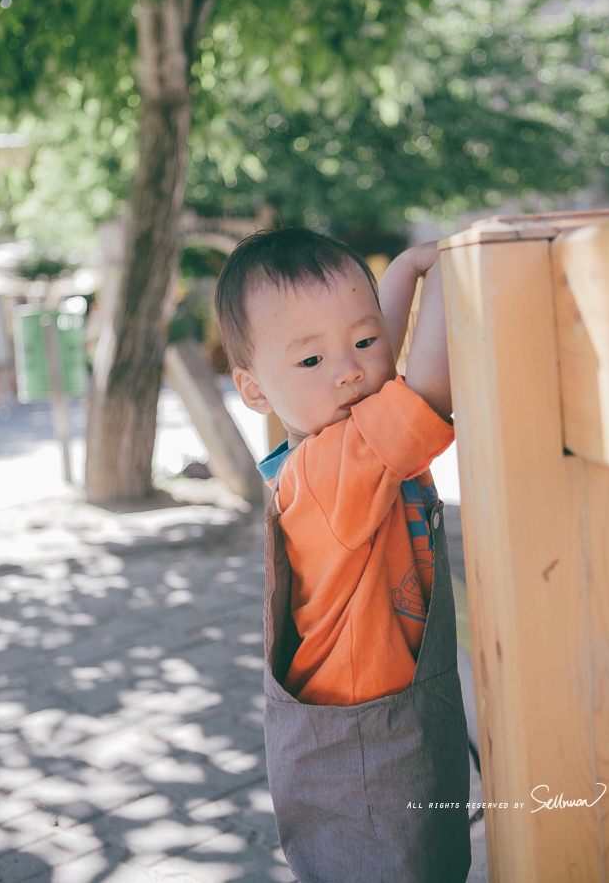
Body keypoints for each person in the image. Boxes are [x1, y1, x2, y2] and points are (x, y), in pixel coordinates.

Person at [215, 227, 470, 883]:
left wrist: (406, 270)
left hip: (377, 713)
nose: (349, 369)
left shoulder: (333, 435)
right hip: (367, 749)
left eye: (362, 341)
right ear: (255, 391)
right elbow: (432, 391)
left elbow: (368, 360)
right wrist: (444, 274)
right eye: (310, 362)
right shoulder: (332, 469)